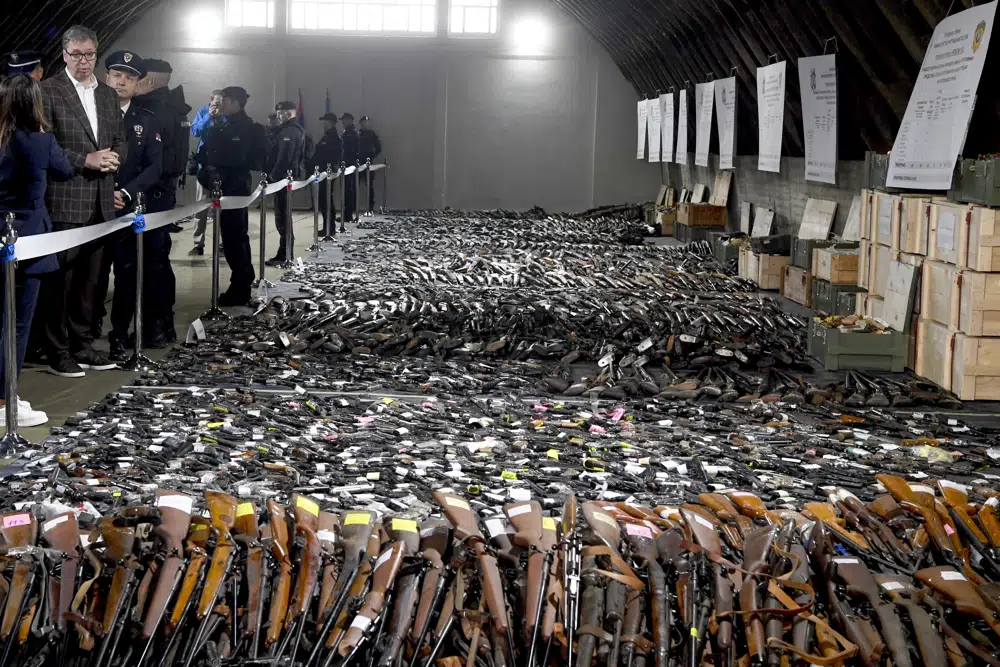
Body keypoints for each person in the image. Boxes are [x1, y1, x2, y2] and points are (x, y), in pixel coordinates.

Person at [38, 25, 126, 377]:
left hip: (101, 202)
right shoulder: (47, 92)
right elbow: (46, 145)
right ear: (64, 54)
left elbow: (119, 137)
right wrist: (86, 160)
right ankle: (57, 352)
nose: (85, 61)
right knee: (61, 282)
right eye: (77, 54)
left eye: (90, 54)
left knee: (91, 282)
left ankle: (83, 344)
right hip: (64, 200)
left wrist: (114, 156)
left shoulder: (106, 94)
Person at [0, 75, 73, 425]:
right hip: (27, 242)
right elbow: (65, 169)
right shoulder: (40, 141)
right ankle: (3, 401)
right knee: (17, 325)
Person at [99, 51, 164, 361]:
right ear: (106, 77)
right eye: (116, 74)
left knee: (126, 278)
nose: (121, 80)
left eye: (129, 76)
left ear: (138, 84)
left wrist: (124, 192)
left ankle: (119, 334)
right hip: (92, 210)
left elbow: (154, 166)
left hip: (126, 211)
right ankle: (82, 335)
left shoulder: (145, 121)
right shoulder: (89, 113)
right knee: (91, 278)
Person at [133, 58, 185, 341]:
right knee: (160, 259)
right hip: (164, 192)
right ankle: (163, 324)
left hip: (151, 193)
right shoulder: (176, 108)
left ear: (150, 81)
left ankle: (153, 327)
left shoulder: (151, 110)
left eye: (137, 78)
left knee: (149, 262)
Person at [200, 86, 257, 305]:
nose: (219, 103)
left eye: (224, 100)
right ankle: (241, 282)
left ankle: (241, 287)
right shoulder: (228, 124)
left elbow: (230, 158)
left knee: (235, 239)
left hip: (234, 188)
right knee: (235, 238)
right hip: (228, 188)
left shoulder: (242, 127)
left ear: (235, 103)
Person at [266, 101, 305, 265]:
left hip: (282, 180)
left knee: (282, 218)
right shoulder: (296, 130)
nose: (278, 116)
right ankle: (285, 252)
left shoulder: (289, 132)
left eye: (281, 113)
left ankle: (285, 254)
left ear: (288, 114)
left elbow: (284, 158)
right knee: (283, 217)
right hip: (286, 179)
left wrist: (272, 177)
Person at [189, 89, 223, 256]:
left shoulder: (227, 115)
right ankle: (198, 243)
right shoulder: (203, 111)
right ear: (210, 102)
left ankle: (223, 244)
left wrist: (220, 117)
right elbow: (195, 131)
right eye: (216, 103)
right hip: (205, 164)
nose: (218, 107)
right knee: (201, 206)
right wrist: (209, 116)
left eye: (221, 104)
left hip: (223, 165)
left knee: (223, 207)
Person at [312, 111, 342, 235]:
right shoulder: (328, 136)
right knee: (325, 201)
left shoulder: (333, 138)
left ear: (331, 123)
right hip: (324, 171)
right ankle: (328, 227)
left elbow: (332, 155)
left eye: (325, 122)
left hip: (327, 172)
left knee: (326, 201)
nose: (324, 124)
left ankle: (329, 228)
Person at [359, 115, 382, 212]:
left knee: (369, 186)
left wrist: (371, 155)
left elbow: (378, 148)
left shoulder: (372, 134)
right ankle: (353, 207)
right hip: (359, 163)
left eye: (366, 122)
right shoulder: (358, 134)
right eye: (363, 122)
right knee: (354, 185)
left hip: (368, 163)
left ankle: (370, 207)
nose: (365, 124)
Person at [341, 112, 360, 223]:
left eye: (344, 120)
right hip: (348, 164)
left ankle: (348, 214)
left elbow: (349, 150)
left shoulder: (351, 134)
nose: (342, 122)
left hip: (349, 164)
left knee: (348, 190)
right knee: (347, 190)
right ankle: (347, 214)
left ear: (349, 120)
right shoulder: (348, 133)